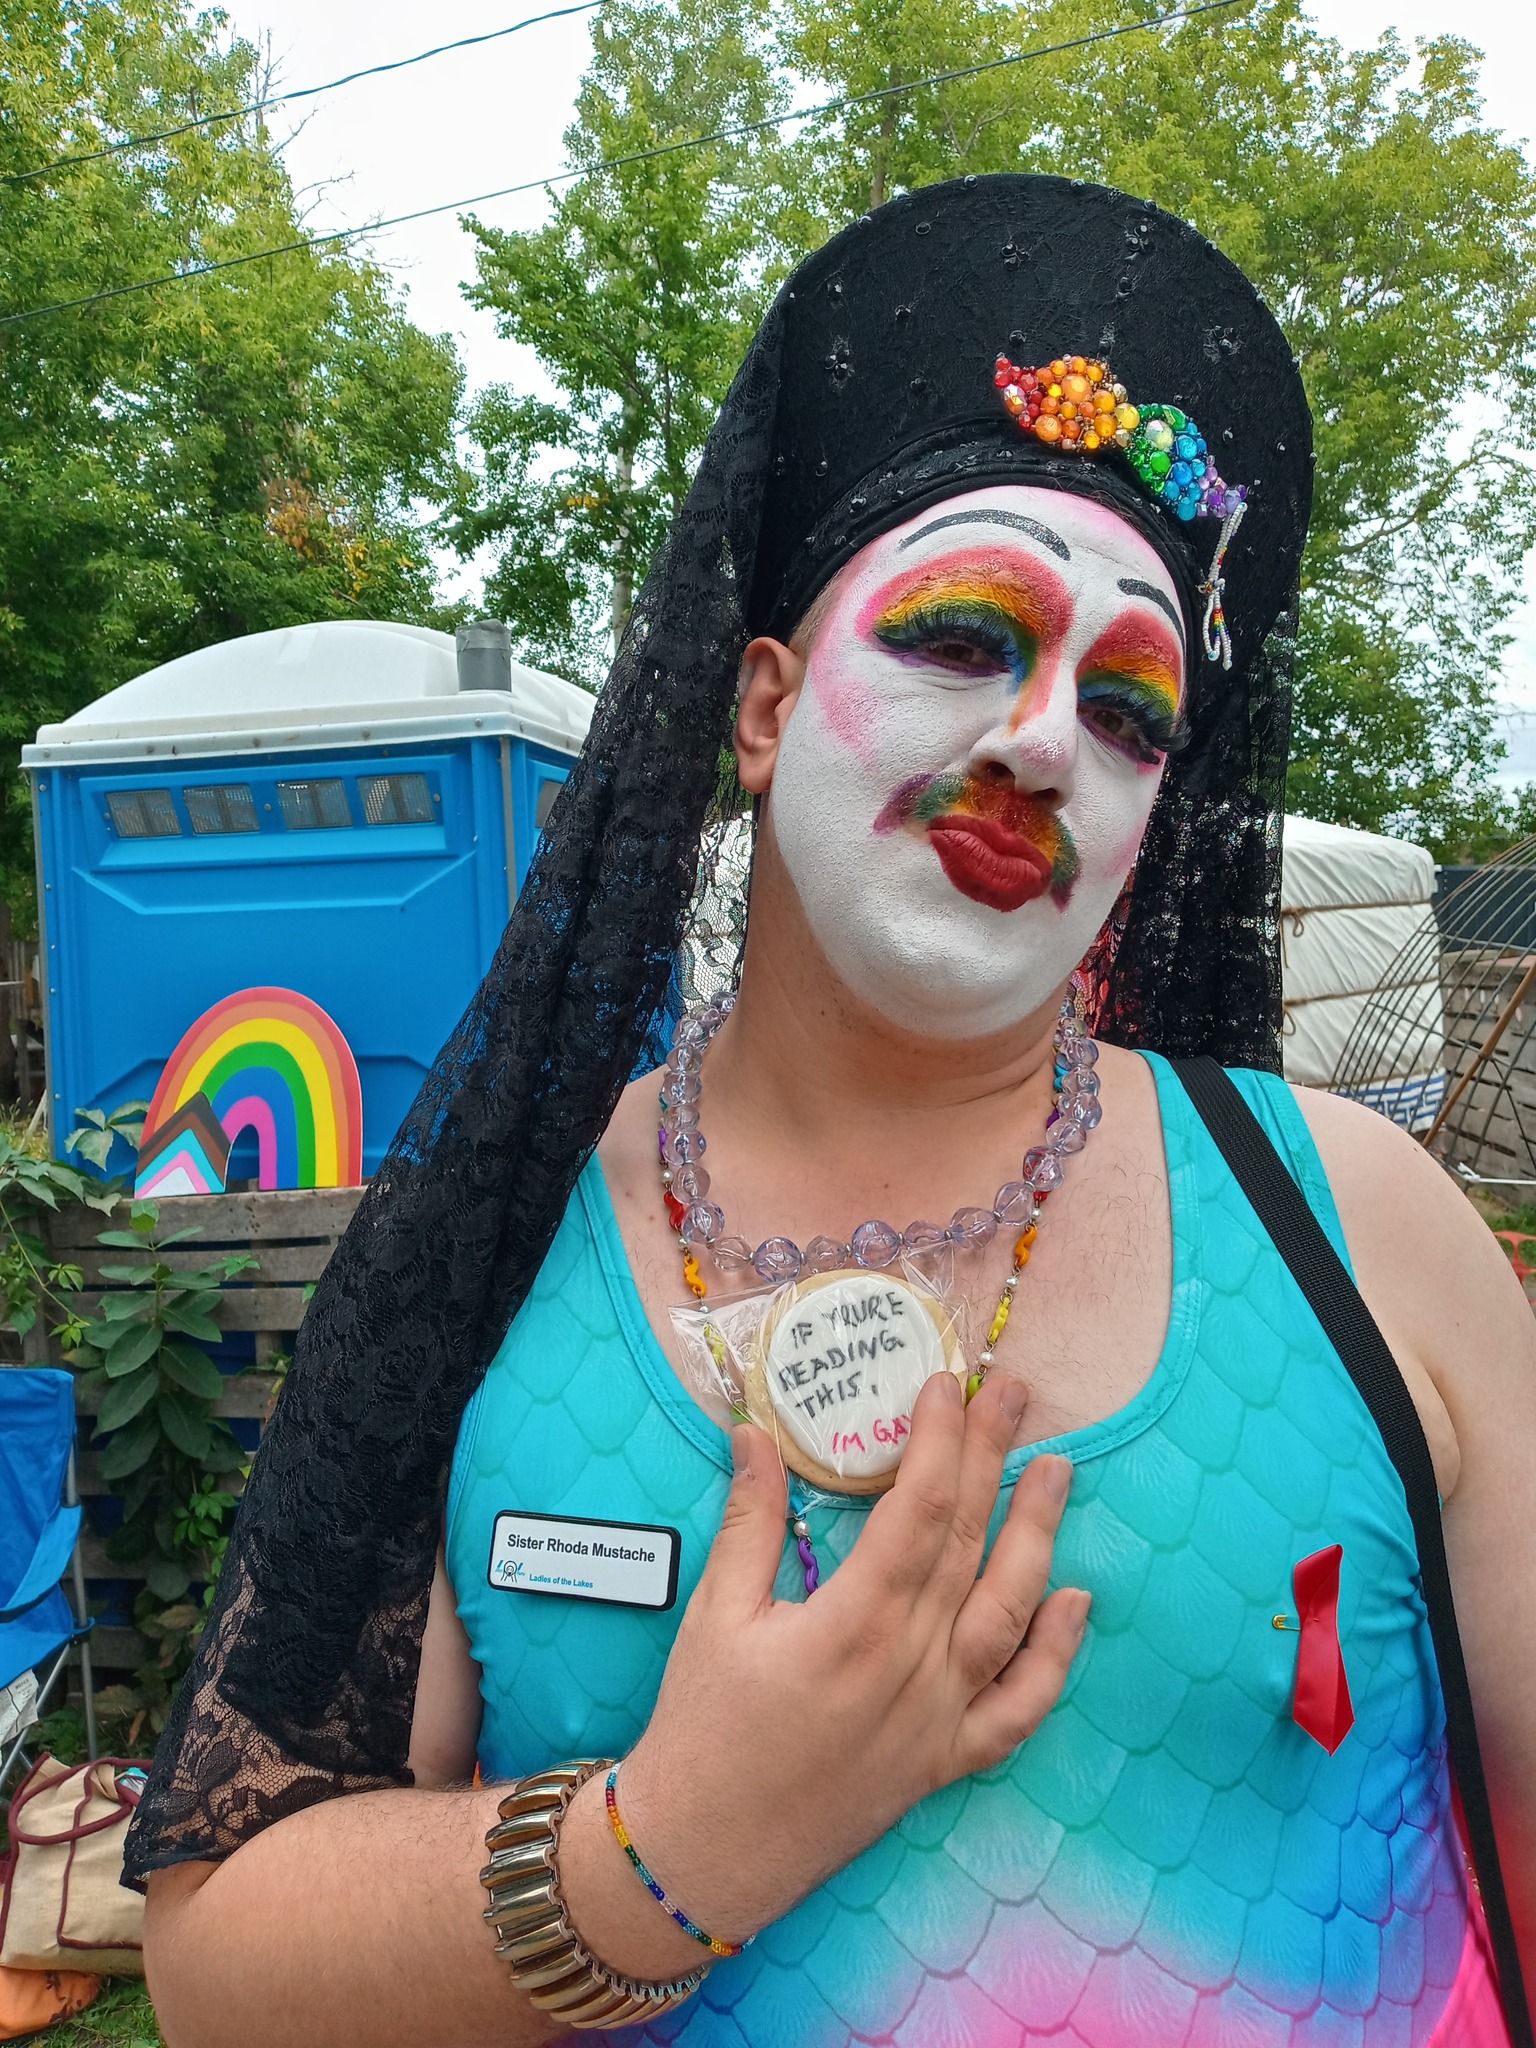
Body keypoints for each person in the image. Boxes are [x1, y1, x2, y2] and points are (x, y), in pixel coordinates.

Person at [131, 175, 1536, 2047]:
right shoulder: (504, 1250)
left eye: (1132, 709)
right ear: (765, 706)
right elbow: (213, 1961)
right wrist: (660, 1847)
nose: (1047, 742)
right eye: (963, 637)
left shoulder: (1373, 1233)